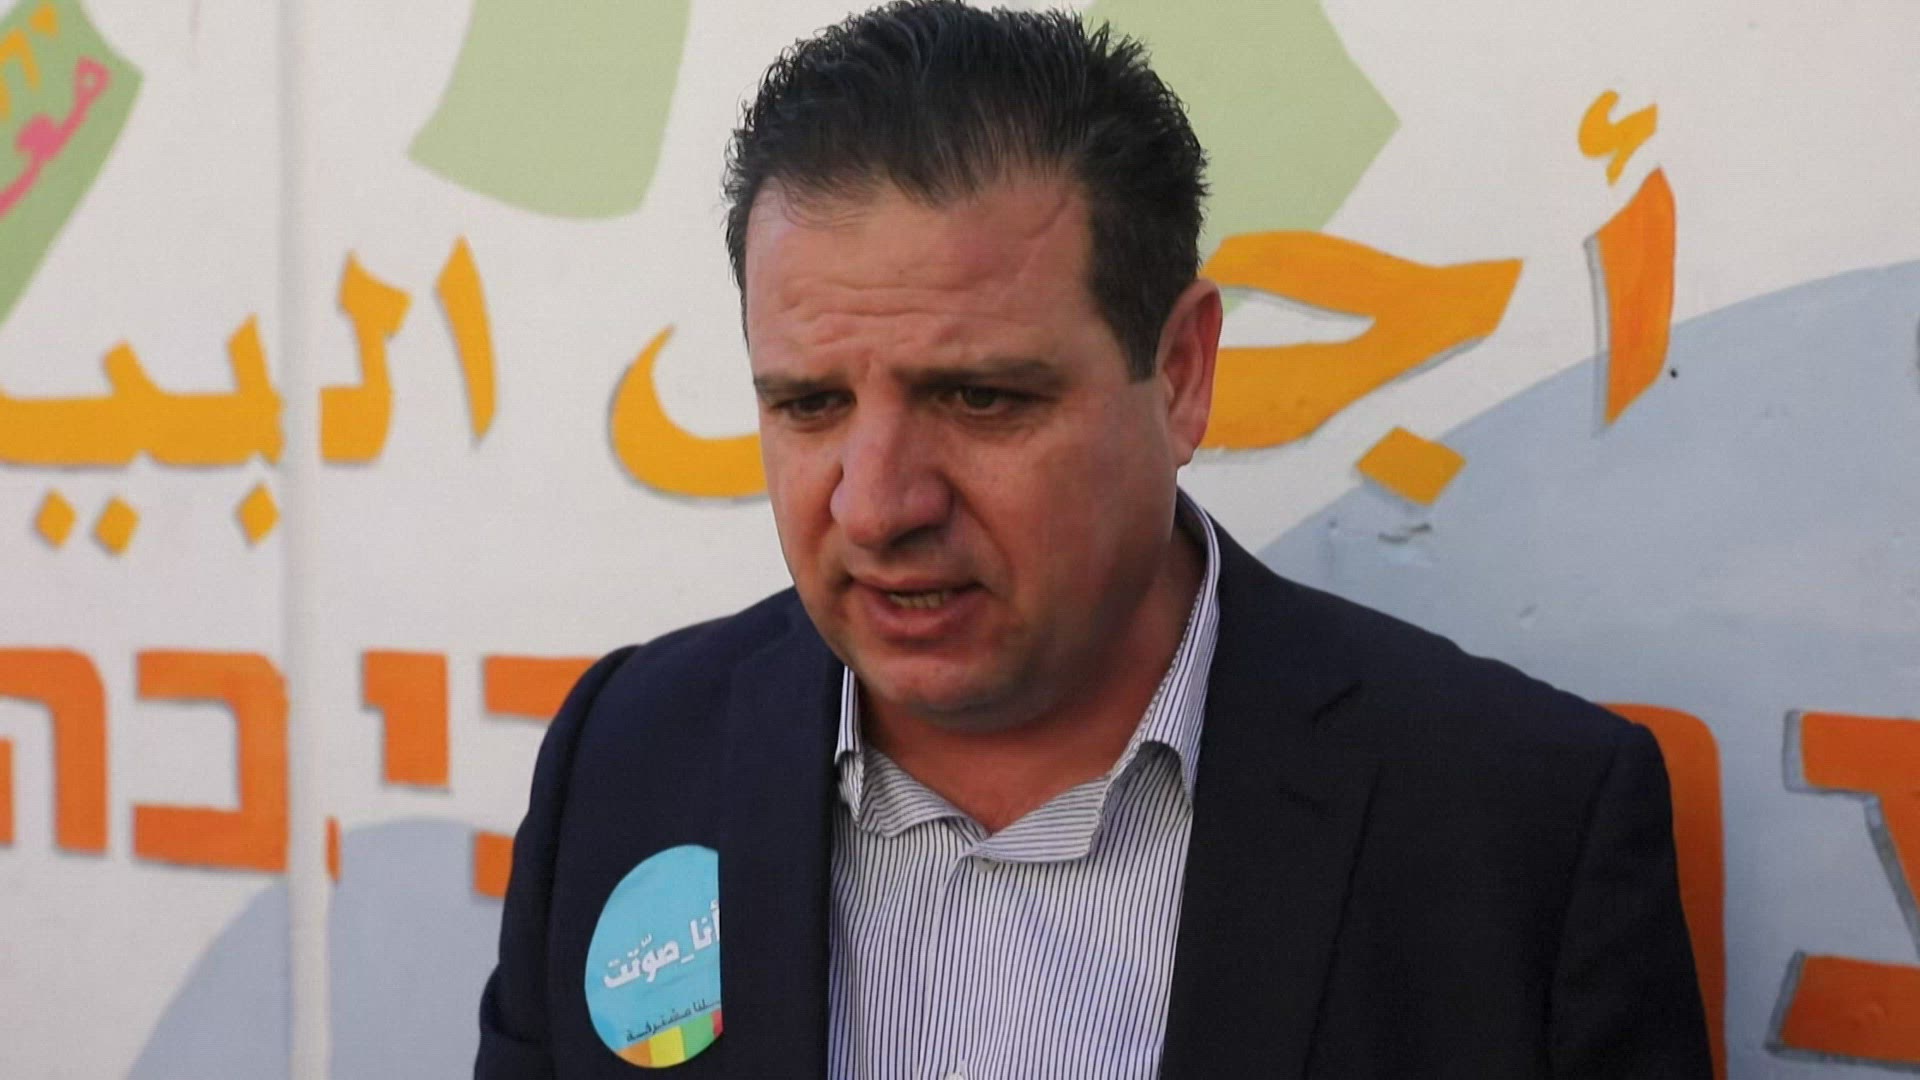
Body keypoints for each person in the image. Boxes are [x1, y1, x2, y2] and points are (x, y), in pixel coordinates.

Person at [477, 3, 1712, 1076]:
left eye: (979, 398)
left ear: (1180, 375)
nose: (876, 504)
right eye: (809, 405)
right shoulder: (625, 758)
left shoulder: (1520, 831)